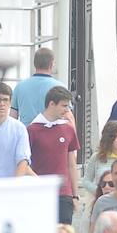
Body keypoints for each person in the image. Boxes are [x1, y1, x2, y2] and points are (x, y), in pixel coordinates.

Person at [27, 85, 81, 224]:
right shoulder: (32, 130)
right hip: (39, 193)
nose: (67, 110)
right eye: (63, 106)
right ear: (51, 104)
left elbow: (72, 165)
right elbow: (25, 164)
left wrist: (75, 196)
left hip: (64, 194)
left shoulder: (68, 129)